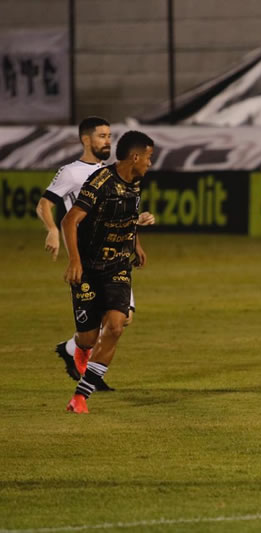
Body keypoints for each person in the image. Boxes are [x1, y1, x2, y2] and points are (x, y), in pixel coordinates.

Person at [36, 117, 155, 390]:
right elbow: (45, 205)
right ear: (86, 140)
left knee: (121, 320)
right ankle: (81, 358)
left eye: (110, 136)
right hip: (88, 258)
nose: (108, 141)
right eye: (102, 136)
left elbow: (117, 214)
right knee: (97, 332)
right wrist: (52, 229)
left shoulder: (120, 172)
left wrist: (135, 239)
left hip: (115, 260)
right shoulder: (71, 173)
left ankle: (87, 370)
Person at [62, 130, 154, 413]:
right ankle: (76, 347)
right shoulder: (100, 182)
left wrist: (135, 241)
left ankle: (80, 397)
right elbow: (69, 221)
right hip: (88, 267)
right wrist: (75, 261)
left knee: (115, 326)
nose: (150, 164)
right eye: (149, 158)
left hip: (118, 267)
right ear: (135, 157)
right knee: (89, 338)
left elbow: (125, 217)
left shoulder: (135, 184)